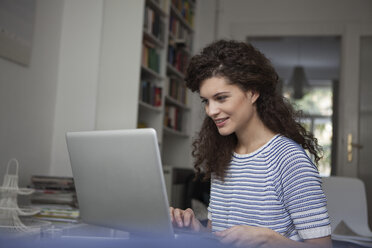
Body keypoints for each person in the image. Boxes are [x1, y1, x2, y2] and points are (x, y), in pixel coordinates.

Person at [169, 40, 332, 248]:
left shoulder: (289, 160)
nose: (210, 111)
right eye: (206, 101)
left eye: (221, 98)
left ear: (252, 93)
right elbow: (219, 237)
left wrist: (269, 239)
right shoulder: (223, 155)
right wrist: (195, 230)